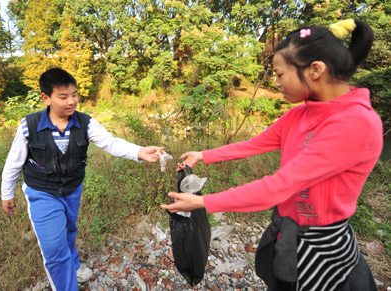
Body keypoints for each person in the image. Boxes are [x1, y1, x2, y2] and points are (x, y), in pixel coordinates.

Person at [162, 19, 382, 291]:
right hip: (286, 229)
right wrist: (203, 154)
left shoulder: (355, 123)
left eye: (279, 74)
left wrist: (202, 202)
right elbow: (254, 145)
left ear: (315, 70)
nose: (275, 82)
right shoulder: (299, 114)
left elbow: (278, 187)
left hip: (323, 249)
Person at [1, 68, 163, 291]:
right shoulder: (29, 126)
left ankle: (74, 264)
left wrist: (139, 151)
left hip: (72, 189)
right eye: (63, 96)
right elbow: (14, 161)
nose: (72, 101)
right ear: (46, 98)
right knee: (54, 251)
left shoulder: (85, 123)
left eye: (74, 94)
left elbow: (111, 142)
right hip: (41, 192)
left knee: (68, 229)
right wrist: (6, 193)